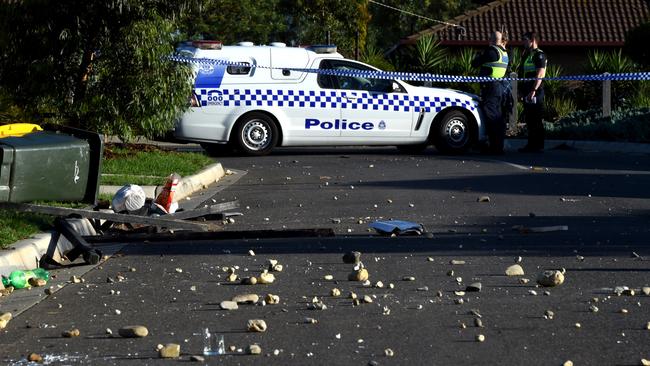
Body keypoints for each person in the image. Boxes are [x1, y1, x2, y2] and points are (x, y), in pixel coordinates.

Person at [471, 31, 509, 154]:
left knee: (492, 117)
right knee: (497, 117)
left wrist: (478, 55)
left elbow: (474, 64)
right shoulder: (504, 53)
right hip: (499, 88)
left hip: (490, 88)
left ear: (491, 39)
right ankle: (498, 146)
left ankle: (495, 147)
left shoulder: (490, 51)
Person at [519, 31, 547, 153]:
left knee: (536, 118)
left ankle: (538, 146)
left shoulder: (539, 55)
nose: (523, 42)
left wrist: (534, 90)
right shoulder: (526, 55)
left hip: (535, 91)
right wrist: (521, 91)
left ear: (533, 40)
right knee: (529, 119)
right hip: (527, 91)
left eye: (525, 39)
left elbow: (540, 73)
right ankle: (531, 144)